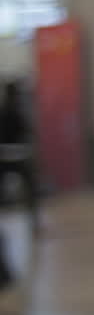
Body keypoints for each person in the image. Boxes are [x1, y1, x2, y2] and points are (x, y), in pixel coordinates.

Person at [0, 83, 40, 235]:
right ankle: (34, 222)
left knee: (31, 188)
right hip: (13, 157)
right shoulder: (14, 113)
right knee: (31, 188)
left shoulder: (11, 112)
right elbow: (27, 135)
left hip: (10, 157)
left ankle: (34, 222)